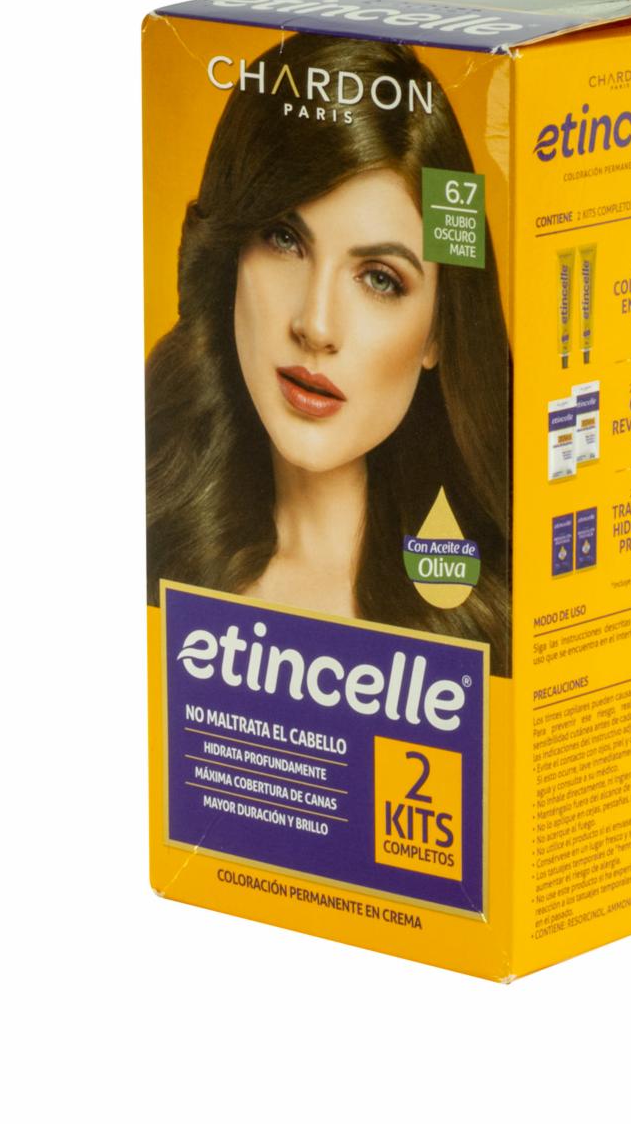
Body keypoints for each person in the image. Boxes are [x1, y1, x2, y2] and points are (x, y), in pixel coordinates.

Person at [146, 33, 510, 673]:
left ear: (437, 334)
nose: (315, 326)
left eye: (380, 279)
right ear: (231, 257)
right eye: (285, 240)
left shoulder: (495, 622)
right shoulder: (147, 544)